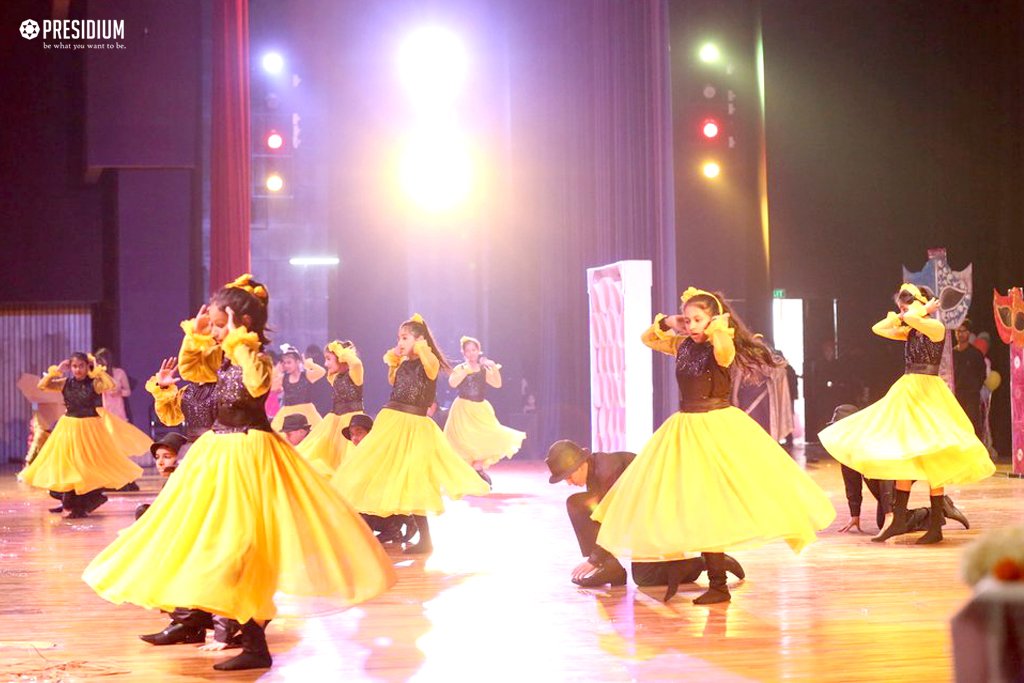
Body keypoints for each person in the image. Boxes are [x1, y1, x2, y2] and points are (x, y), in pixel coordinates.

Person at [83, 274, 396, 671]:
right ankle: (196, 622)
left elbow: (257, 384)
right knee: (200, 537)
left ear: (240, 322)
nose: (215, 332)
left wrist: (239, 340)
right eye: (213, 325)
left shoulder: (255, 357)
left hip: (249, 454)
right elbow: (191, 369)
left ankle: (253, 643)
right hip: (218, 451)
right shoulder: (225, 358)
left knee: (242, 547)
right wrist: (197, 335)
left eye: (219, 324)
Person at [592, 287, 835, 605]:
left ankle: (718, 584)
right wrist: (669, 321)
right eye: (689, 319)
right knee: (692, 501)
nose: (692, 325)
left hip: (716, 425)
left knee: (713, 502)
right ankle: (713, 577)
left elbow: (724, 354)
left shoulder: (722, 344)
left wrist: (719, 327)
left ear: (713, 319)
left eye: (698, 319)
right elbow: (647, 339)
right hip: (685, 426)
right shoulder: (681, 345)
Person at [819, 284, 994, 544]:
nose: (902, 311)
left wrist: (919, 311)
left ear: (921, 303)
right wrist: (907, 314)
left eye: (906, 305)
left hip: (928, 392)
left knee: (934, 454)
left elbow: (913, 318)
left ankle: (935, 525)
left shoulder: (935, 327)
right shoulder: (912, 328)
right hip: (909, 390)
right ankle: (899, 519)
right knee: (905, 450)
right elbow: (878, 328)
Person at [333, 314, 489, 554]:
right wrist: (395, 359)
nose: (400, 342)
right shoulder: (403, 363)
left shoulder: (429, 360)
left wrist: (422, 348)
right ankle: (385, 525)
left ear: (419, 339)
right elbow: (393, 380)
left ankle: (423, 538)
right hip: (393, 420)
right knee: (378, 470)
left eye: (405, 338)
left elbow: (431, 370)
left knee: (415, 479)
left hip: (415, 426)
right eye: (399, 338)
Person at [545, 440, 745, 590]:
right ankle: (611, 569)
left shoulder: (607, 473)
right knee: (577, 504)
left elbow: (615, 523)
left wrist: (594, 560)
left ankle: (707, 563)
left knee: (645, 578)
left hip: (662, 518)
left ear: (580, 464)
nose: (569, 482)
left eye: (569, 476)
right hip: (642, 518)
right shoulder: (595, 468)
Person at [19, 353, 143, 518]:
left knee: (85, 465)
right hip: (69, 428)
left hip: (90, 428)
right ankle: (69, 502)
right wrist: (58, 370)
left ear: (86, 366)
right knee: (68, 464)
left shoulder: (94, 383)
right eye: (74, 366)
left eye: (81, 366)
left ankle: (83, 503)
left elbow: (110, 384)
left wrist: (96, 369)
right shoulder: (65, 383)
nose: (77, 370)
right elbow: (43, 385)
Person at [829, 404, 970, 537]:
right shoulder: (846, 446)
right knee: (886, 522)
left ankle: (940, 509)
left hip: (899, 471)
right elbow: (851, 481)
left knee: (891, 522)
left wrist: (889, 513)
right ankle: (941, 509)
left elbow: (887, 474)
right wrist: (855, 514)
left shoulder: (872, 439)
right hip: (885, 478)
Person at [444, 336, 526, 485]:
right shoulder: (460, 368)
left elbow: (497, 384)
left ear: (478, 351)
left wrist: (493, 367)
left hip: (480, 408)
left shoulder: (483, 369)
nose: (471, 353)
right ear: (463, 352)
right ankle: (470, 472)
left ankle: (478, 467)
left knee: (486, 436)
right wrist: (466, 370)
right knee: (465, 440)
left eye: (473, 350)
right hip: (463, 409)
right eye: (468, 350)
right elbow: (452, 383)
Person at [296, 340, 365, 473]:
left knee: (348, 459)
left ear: (340, 358)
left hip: (351, 421)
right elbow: (323, 371)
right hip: (334, 420)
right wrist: (309, 364)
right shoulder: (334, 377)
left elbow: (356, 363)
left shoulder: (355, 375)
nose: (325, 363)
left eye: (328, 359)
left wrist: (342, 352)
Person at [269, 344, 326, 433]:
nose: (286, 365)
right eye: (284, 363)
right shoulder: (284, 378)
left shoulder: (306, 375)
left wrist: (308, 364)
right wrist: (278, 369)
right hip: (287, 412)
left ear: (297, 361)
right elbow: (271, 387)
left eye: (289, 362)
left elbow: (321, 372)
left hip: (307, 412)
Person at [953, 319, 987, 438]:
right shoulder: (952, 354)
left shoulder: (975, 354)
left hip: (971, 397)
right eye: (958, 331)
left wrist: (974, 388)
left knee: (972, 425)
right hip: (955, 396)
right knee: (956, 426)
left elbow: (982, 374)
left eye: (963, 331)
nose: (960, 334)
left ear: (969, 333)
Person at [94, 347, 132, 422]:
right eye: (98, 361)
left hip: (118, 411)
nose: (100, 363)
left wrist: (120, 392)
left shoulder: (120, 373)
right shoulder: (99, 376)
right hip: (104, 411)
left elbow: (128, 391)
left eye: (101, 360)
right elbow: (96, 390)